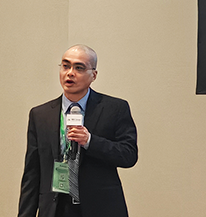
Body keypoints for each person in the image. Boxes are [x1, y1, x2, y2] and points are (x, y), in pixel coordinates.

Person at [18, 45, 138, 217]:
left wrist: (90, 141)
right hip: (55, 208)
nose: (70, 73)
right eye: (65, 66)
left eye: (79, 68)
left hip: (100, 208)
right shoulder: (40, 115)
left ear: (93, 75)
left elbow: (129, 155)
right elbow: (32, 173)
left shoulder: (115, 109)